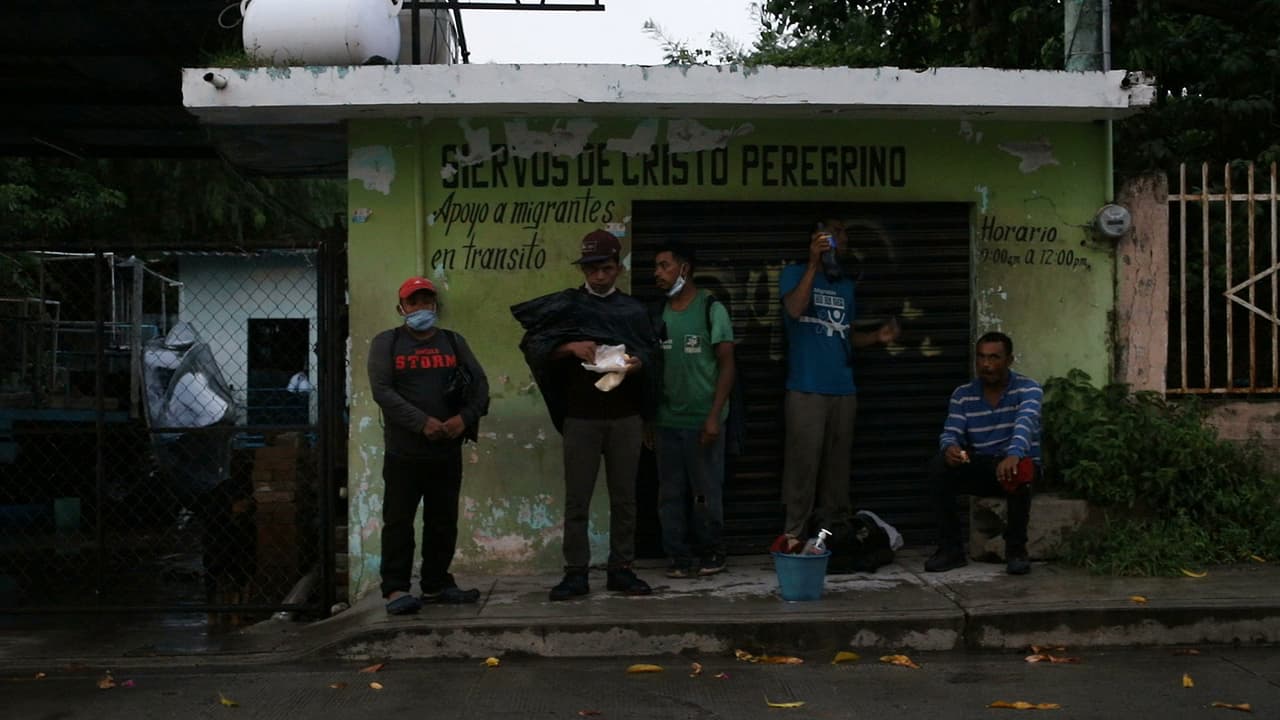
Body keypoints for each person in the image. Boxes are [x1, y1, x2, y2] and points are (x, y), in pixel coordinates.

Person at [511, 230, 659, 601]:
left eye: (605, 268)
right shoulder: (567, 306)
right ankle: (575, 572)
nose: (598, 276)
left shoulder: (634, 311)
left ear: (618, 268)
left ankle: (621, 569)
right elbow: (534, 346)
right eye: (591, 269)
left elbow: (653, 354)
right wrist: (569, 347)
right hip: (581, 417)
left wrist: (639, 364)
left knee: (626, 497)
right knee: (578, 498)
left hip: (626, 417)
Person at [368, 276, 490, 614]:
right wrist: (423, 423)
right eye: (414, 302)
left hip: (446, 450)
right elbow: (382, 391)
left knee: (442, 520)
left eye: (427, 301)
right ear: (401, 308)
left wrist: (462, 420)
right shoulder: (387, 343)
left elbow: (480, 385)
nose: (421, 308)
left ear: (435, 305)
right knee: (398, 521)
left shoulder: (453, 342)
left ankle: (436, 584)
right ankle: (395, 590)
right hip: (403, 452)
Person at [778, 218, 899, 552]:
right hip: (806, 389)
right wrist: (813, 264)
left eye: (843, 232)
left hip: (843, 391)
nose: (841, 237)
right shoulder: (795, 274)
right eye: (834, 231)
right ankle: (792, 537)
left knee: (837, 478)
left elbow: (844, 336)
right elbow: (794, 308)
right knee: (802, 470)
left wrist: (877, 337)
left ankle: (829, 541)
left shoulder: (845, 285)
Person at [924, 331, 1042, 576]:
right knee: (939, 466)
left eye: (994, 358)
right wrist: (950, 449)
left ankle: (1016, 551)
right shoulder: (963, 394)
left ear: (1009, 360)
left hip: (1017, 462)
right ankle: (951, 550)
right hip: (983, 463)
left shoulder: (1028, 388)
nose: (986, 365)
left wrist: (1014, 454)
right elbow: (951, 432)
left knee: (1019, 470)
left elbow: (1026, 423)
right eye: (981, 358)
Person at [650, 241, 735, 578]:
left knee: (706, 492)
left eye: (664, 265)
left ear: (684, 269)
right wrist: (649, 418)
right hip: (667, 422)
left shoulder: (711, 308)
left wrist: (714, 415)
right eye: (656, 267)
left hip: (703, 423)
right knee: (670, 494)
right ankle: (679, 557)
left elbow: (727, 366)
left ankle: (713, 551)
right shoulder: (658, 313)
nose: (657, 273)